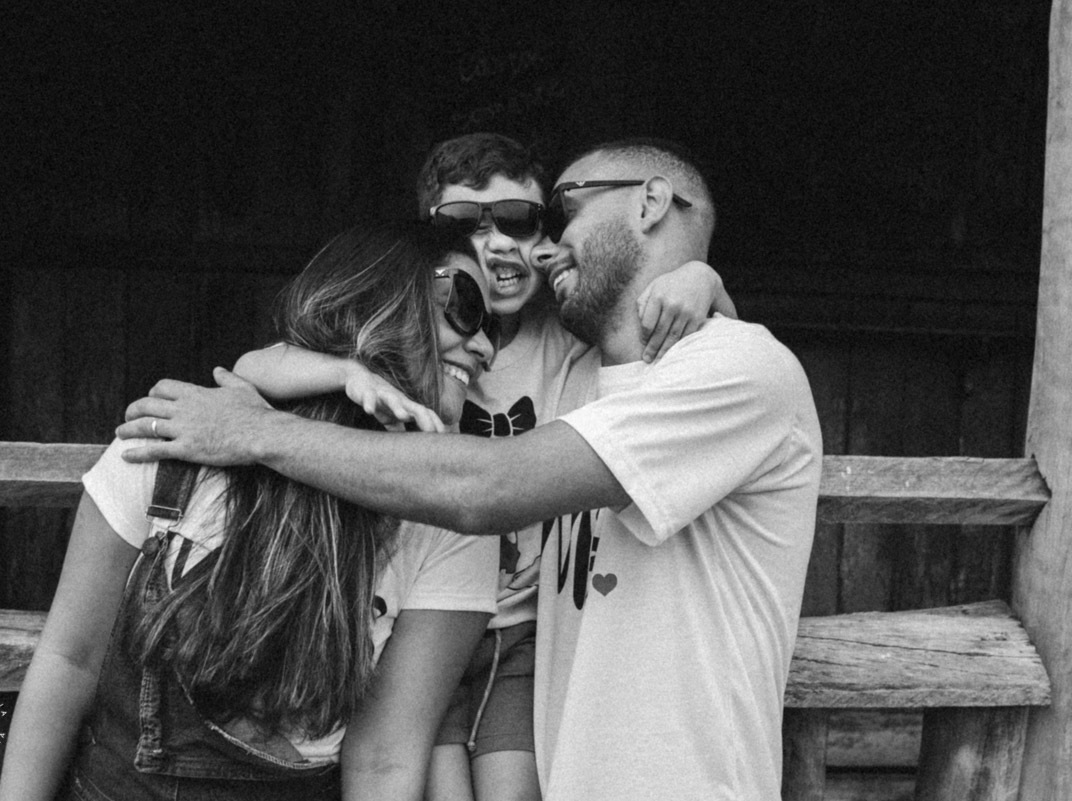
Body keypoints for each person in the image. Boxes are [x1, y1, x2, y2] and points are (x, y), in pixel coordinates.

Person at [119, 138, 823, 800]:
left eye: (557, 213)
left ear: (649, 203)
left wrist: (260, 435)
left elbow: (487, 486)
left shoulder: (740, 366)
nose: (544, 245)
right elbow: (271, 361)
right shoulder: (592, 386)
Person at [0, 223, 500, 801]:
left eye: (495, 328)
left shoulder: (452, 523)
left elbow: (384, 759)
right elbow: (70, 660)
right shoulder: (176, 445)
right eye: (465, 307)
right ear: (380, 295)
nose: (485, 347)